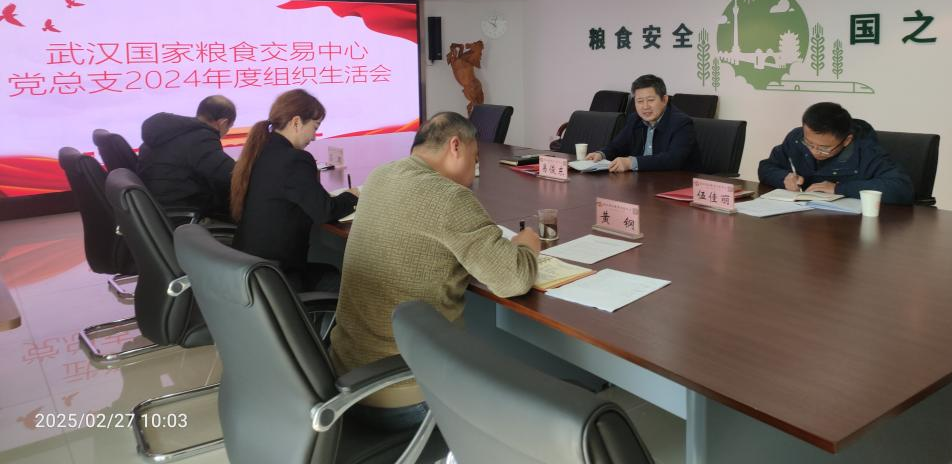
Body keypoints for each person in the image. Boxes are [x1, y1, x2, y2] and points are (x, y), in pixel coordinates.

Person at [328, 111, 540, 431]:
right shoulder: (450, 197)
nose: (475, 169)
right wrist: (526, 247)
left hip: (347, 371)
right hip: (405, 387)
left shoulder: (380, 175)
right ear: (456, 146)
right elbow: (513, 279)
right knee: (514, 397)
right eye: (475, 158)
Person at [230, 89, 358, 291]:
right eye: (315, 127)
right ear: (296, 122)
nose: (313, 137)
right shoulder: (295, 159)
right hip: (276, 275)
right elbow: (325, 211)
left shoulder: (259, 150)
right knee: (338, 277)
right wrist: (352, 196)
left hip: (248, 268)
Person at [758, 102, 914, 204]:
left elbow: (901, 188)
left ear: (846, 140)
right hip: (802, 220)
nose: (814, 151)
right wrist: (784, 178)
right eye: (809, 143)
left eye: (824, 148)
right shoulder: (796, 139)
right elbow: (766, 167)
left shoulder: (866, 150)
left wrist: (838, 189)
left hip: (849, 228)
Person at [137, 95, 237, 219]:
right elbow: (229, 176)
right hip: (183, 212)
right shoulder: (202, 137)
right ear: (223, 123)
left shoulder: (167, 133)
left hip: (156, 208)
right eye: (229, 128)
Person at [585, 74, 701, 173]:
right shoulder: (634, 119)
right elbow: (617, 145)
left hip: (676, 183)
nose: (645, 107)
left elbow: (673, 159)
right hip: (643, 181)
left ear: (664, 100)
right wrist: (601, 154)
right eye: (640, 101)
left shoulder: (682, 123)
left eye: (650, 100)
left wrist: (631, 163)